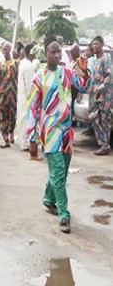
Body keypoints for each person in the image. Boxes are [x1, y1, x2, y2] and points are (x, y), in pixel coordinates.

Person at [26, 36, 90, 234]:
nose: (56, 54)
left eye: (58, 51)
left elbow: (85, 86)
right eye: (52, 51)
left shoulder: (68, 73)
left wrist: (85, 69)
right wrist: (32, 138)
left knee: (60, 171)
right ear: (45, 54)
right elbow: (32, 109)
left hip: (66, 132)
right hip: (51, 131)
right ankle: (64, 215)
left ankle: (48, 199)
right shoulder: (39, 78)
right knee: (59, 171)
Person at [88, 36, 112, 155]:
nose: (94, 46)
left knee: (105, 120)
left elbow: (109, 77)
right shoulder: (94, 60)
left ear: (102, 45)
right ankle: (103, 142)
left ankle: (105, 145)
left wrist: (100, 88)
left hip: (104, 96)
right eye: (93, 44)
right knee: (94, 118)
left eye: (97, 44)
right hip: (94, 95)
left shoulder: (105, 59)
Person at [0, 42, 19, 148]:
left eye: (6, 49)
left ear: (10, 50)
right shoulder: (1, 65)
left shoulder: (16, 63)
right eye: (3, 49)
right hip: (2, 95)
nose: (4, 51)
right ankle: (5, 139)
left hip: (13, 95)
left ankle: (11, 132)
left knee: (12, 117)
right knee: (2, 118)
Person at [16, 43, 36, 151]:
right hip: (26, 97)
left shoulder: (24, 62)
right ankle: (24, 143)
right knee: (25, 119)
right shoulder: (28, 65)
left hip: (22, 95)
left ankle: (23, 141)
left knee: (23, 118)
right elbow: (29, 86)